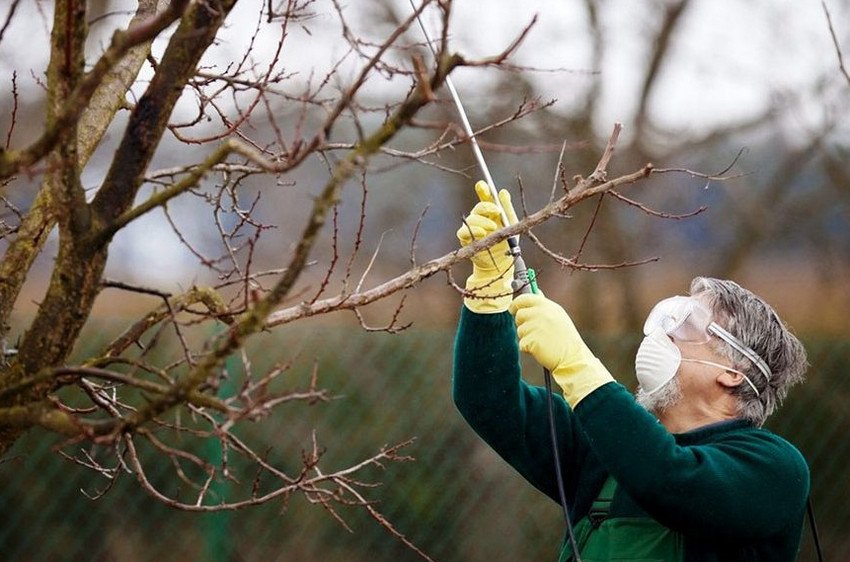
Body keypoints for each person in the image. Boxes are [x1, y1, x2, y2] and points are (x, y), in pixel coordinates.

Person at [453, 181, 810, 561]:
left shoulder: (774, 467)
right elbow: (489, 401)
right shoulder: (601, 448)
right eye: (666, 318)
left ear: (734, 371)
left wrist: (577, 364)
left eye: (685, 326)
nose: (661, 334)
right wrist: (488, 293)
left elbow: (670, 482)